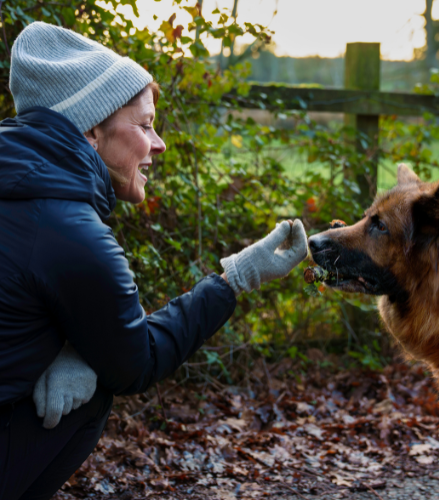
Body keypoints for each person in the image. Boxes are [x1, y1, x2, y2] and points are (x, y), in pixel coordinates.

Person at [0, 22, 308, 500]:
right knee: (97, 382)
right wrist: (238, 277)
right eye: (143, 126)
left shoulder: (19, 187)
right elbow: (134, 363)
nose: (158, 143)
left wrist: (60, 344)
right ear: (90, 129)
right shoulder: (70, 233)